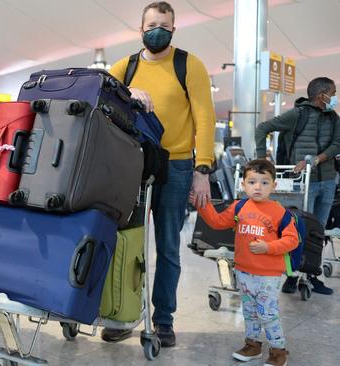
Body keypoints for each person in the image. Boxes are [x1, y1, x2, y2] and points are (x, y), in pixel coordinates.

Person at [106, 1, 216, 346]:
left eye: (165, 26)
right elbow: (103, 104)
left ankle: (163, 319)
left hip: (177, 165)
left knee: (168, 247)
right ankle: (122, 312)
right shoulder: (125, 66)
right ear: (140, 29)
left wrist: (203, 170)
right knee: (126, 242)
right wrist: (127, 92)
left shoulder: (188, 64)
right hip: (133, 163)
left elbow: (205, 118)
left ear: (173, 29)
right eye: (152, 24)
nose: (158, 31)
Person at [194, 160, 297, 366]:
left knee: (268, 314)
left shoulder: (280, 213)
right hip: (243, 271)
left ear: (274, 186)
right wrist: (202, 204)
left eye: (264, 183)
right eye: (252, 182)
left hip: (268, 275)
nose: (258, 187)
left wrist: (268, 247)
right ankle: (253, 345)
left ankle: (278, 351)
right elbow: (217, 221)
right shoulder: (239, 206)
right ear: (243, 185)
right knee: (249, 313)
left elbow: (292, 240)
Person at [255, 77, 339, 295]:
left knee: (319, 233)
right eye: (333, 92)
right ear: (323, 95)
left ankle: (312, 276)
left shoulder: (333, 117)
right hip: (304, 184)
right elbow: (263, 128)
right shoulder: (298, 114)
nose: (335, 96)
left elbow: (338, 143)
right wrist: (262, 160)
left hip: (328, 180)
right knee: (299, 231)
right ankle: (292, 276)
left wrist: (318, 159)